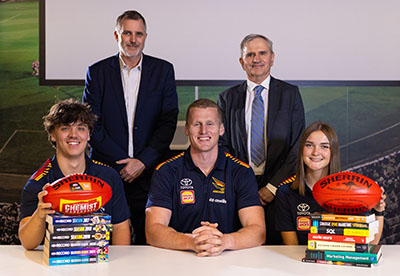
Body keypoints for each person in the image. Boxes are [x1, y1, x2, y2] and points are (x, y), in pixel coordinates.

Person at [82, 10, 178, 245]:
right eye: (127, 33)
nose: (133, 39)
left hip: (150, 172)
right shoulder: (97, 72)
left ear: (145, 37)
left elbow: (168, 122)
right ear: (117, 35)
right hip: (108, 171)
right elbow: (92, 123)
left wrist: (142, 161)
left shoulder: (163, 70)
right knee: (105, 240)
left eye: (139, 34)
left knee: (150, 242)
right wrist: (124, 162)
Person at [145, 99, 265, 256]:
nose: (203, 131)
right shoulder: (166, 171)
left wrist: (223, 242)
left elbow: (258, 231)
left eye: (210, 124)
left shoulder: (241, 171)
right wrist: (191, 242)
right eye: (197, 124)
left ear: (221, 129)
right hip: (179, 258)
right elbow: (153, 230)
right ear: (187, 129)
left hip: (229, 258)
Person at [218, 34, 305, 245]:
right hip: (239, 189)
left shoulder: (290, 94)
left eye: (262, 53)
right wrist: (245, 185)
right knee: (242, 250)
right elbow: (222, 146)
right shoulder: (227, 98)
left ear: (272, 58)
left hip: (280, 189)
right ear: (242, 62)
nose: (256, 59)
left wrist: (272, 188)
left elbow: (297, 146)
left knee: (278, 252)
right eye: (250, 54)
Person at [19, 99, 131, 250]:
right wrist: (40, 214)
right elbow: (27, 243)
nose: (74, 135)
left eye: (81, 128)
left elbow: (121, 228)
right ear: (52, 134)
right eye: (65, 128)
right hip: (56, 267)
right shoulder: (39, 183)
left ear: (89, 134)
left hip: (99, 263)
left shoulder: (109, 176)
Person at [275, 121, 386, 245]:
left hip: (342, 260)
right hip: (304, 261)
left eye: (324, 146)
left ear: (333, 152)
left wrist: (378, 211)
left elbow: (371, 243)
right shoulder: (285, 192)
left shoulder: (351, 190)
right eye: (309, 145)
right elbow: (292, 248)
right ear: (301, 149)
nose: (315, 152)